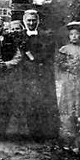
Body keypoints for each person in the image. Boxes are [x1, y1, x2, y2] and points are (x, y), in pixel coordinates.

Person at [16, 9, 59, 140]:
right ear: (24, 21)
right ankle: (30, 133)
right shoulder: (20, 36)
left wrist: (34, 58)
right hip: (26, 74)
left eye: (33, 20)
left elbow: (49, 53)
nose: (31, 23)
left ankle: (47, 132)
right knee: (29, 101)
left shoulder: (46, 35)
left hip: (43, 73)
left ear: (38, 21)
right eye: (28, 20)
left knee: (44, 101)